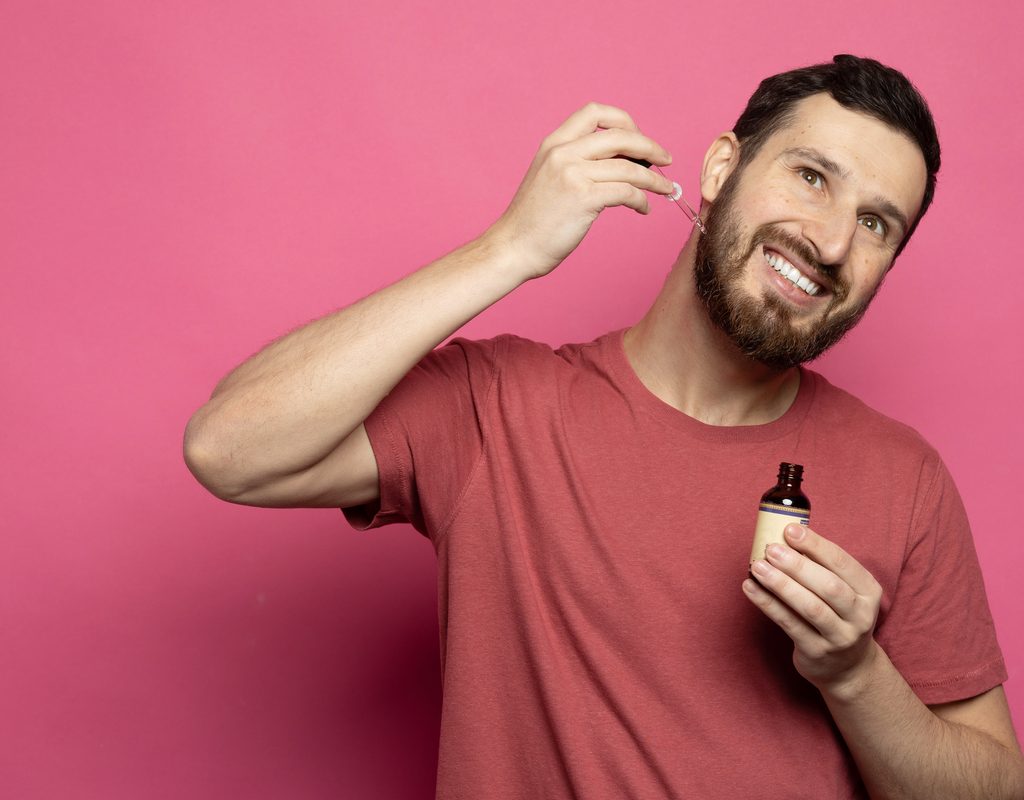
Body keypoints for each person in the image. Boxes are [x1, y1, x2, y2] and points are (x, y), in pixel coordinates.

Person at [184, 55, 1024, 798]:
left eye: (877, 224)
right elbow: (230, 449)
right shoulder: (501, 409)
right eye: (811, 176)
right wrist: (510, 247)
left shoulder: (903, 476)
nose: (832, 240)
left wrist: (855, 675)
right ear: (723, 167)